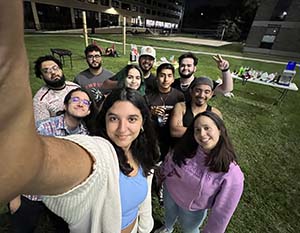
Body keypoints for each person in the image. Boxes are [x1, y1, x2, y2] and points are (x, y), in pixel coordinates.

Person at [0, 2, 159, 232]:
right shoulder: (99, 153)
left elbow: (143, 201)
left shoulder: (145, 153)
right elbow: (37, 161)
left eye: (132, 119)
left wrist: (144, 226)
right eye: (113, 118)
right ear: (103, 121)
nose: (123, 128)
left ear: (144, 124)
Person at [8, 88, 94, 233]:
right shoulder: (43, 128)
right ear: (65, 106)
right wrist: (14, 196)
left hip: (61, 196)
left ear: (88, 111)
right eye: (75, 100)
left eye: (85, 102)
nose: (80, 104)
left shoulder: (86, 136)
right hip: (32, 193)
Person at [155, 111, 244, 233]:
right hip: (169, 194)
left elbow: (222, 212)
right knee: (168, 215)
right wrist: (160, 179)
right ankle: (168, 227)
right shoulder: (186, 147)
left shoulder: (232, 173)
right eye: (197, 130)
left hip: (192, 210)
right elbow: (168, 164)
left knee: (189, 229)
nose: (202, 134)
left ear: (220, 130)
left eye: (207, 128)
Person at [145, 63, 184, 161]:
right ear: (157, 78)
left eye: (169, 76)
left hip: (171, 138)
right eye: (162, 75)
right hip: (153, 137)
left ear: (173, 79)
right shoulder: (148, 96)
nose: (166, 79)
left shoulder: (179, 96)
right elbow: (141, 117)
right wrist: (150, 112)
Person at [33, 55, 79, 123]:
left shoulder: (75, 87)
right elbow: (43, 129)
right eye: (46, 71)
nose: (53, 72)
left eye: (55, 68)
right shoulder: (40, 100)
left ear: (61, 70)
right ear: (41, 76)